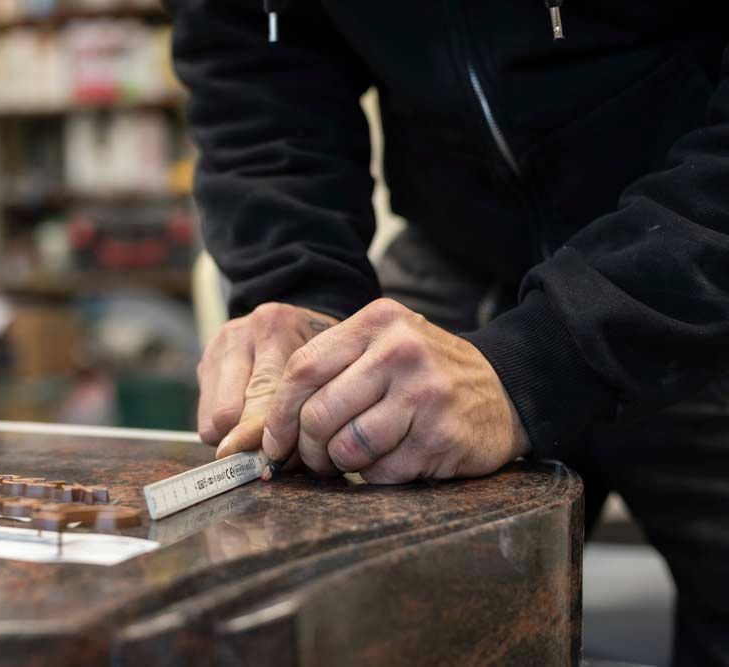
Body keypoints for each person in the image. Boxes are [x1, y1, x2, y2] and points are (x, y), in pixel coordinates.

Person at [164, 1, 729, 664]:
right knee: (376, 621)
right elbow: (259, 53)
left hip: (697, 247)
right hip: (463, 242)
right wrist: (302, 290)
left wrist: (539, 360)